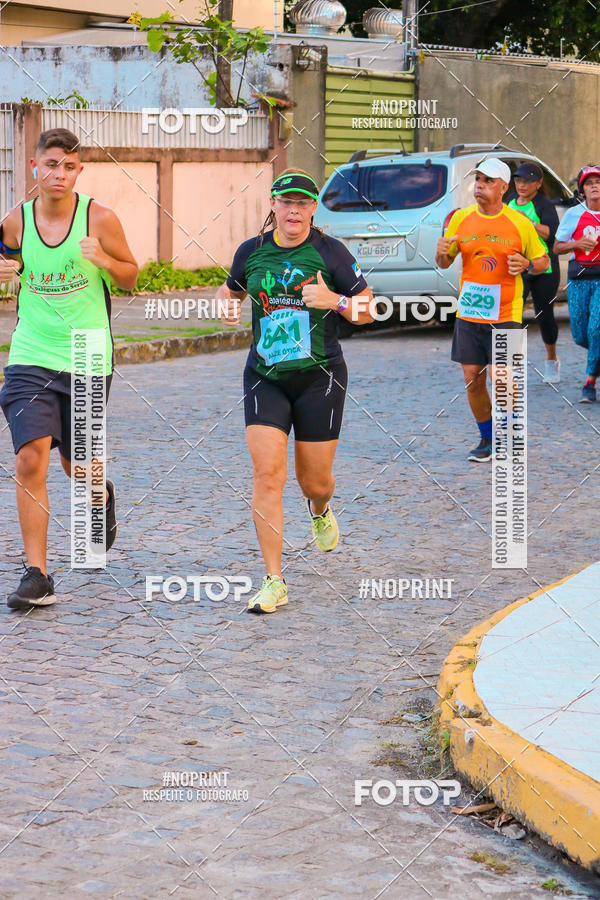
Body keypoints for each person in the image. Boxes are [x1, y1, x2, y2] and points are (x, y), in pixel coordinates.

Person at [218, 169, 373, 613]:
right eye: (286, 202)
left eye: (303, 203)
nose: (294, 210)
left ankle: (320, 508)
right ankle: (274, 580)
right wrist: (227, 307)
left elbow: (369, 310)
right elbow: (230, 291)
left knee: (314, 482)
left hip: (319, 378)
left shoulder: (330, 252)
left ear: (313, 209)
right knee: (267, 475)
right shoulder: (251, 252)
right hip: (265, 376)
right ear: (273, 204)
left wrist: (335, 301)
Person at [0, 128, 138, 609]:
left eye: (69, 166)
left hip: (87, 354)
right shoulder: (14, 221)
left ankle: (101, 493)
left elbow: (131, 277)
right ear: (34, 166)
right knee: (30, 457)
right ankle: (37, 574)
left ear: (79, 171)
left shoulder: (99, 218)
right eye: (51, 164)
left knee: (75, 465)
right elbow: (5, 260)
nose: (59, 173)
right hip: (31, 353)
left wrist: (105, 260)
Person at [435, 157, 549, 461]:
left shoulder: (519, 223)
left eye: (488, 181)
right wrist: (441, 254)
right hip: (470, 312)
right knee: (472, 378)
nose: (479, 186)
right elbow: (445, 262)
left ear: (503, 188)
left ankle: (510, 433)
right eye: (477, 180)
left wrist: (527, 264)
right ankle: (487, 438)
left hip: (506, 313)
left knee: (502, 378)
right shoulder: (461, 219)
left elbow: (543, 261)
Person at [507, 162, 560, 383]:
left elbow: (552, 235)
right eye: (518, 180)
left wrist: (528, 222)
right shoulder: (509, 201)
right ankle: (511, 366)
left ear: (538, 184)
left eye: (527, 181)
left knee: (543, 314)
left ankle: (551, 361)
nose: (522, 185)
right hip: (518, 266)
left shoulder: (544, 204)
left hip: (544, 267)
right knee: (512, 315)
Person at [554, 165, 600, 402]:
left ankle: (589, 382)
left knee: (596, 329)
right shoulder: (573, 214)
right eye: (589, 183)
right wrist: (578, 244)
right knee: (581, 336)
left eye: (598, 182)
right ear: (582, 190)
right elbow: (557, 247)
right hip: (579, 278)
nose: (594, 186)